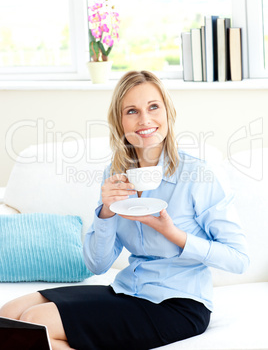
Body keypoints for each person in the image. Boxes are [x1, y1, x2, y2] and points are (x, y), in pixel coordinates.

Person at [0, 70, 249, 350]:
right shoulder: (117, 174)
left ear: (168, 112)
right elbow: (98, 264)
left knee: (37, 320)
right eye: (132, 111)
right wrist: (106, 212)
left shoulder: (197, 174)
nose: (144, 120)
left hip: (179, 304)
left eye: (153, 107)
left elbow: (238, 259)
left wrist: (174, 234)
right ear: (120, 121)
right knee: (9, 315)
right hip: (129, 289)